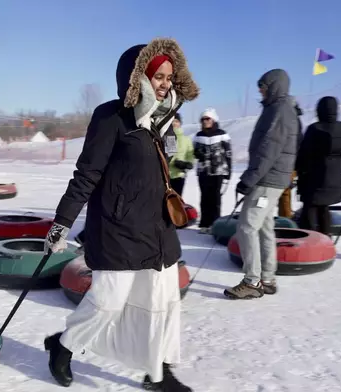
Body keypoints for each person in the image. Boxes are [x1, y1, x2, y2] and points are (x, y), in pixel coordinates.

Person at [43, 38, 199, 392]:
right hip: (118, 229)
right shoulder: (111, 116)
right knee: (107, 303)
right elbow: (87, 174)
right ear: (138, 75)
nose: (164, 84)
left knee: (162, 304)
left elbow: (162, 172)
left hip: (158, 231)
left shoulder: (163, 120)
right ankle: (63, 346)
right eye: (157, 76)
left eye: (169, 78)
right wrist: (62, 222)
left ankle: (158, 372)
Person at [225, 69, 299, 299]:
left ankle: (252, 281)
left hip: (267, 181)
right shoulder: (279, 109)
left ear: (274, 86)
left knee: (247, 226)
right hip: (273, 179)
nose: (260, 90)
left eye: (264, 86)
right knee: (265, 226)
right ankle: (267, 277)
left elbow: (269, 150)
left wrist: (249, 179)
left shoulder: (279, 110)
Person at [296, 96, 341, 236]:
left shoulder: (314, 129)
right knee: (324, 207)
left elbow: (304, 154)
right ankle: (326, 237)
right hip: (334, 177)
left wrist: (300, 171)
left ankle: (310, 241)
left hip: (313, 176)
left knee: (310, 209)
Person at [192, 108, 232, 233]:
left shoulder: (222, 134)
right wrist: (198, 154)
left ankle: (215, 224)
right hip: (203, 171)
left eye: (207, 119)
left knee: (215, 198)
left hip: (218, 171)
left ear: (213, 119)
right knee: (204, 198)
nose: (205, 121)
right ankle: (205, 224)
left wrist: (228, 173)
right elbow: (195, 151)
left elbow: (229, 154)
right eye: (203, 119)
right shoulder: (199, 135)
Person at [277, 101, 304, 218]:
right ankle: (284, 218)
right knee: (283, 194)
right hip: (290, 163)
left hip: (288, 163)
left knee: (284, 193)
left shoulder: (291, 122)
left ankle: (286, 222)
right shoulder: (295, 121)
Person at [169, 113, 195, 196]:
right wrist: (174, 163)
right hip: (167, 176)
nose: (174, 123)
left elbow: (190, 155)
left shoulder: (186, 139)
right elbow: (169, 156)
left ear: (180, 123)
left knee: (177, 202)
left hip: (180, 176)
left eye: (176, 121)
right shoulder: (169, 138)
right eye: (172, 121)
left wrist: (187, 164)